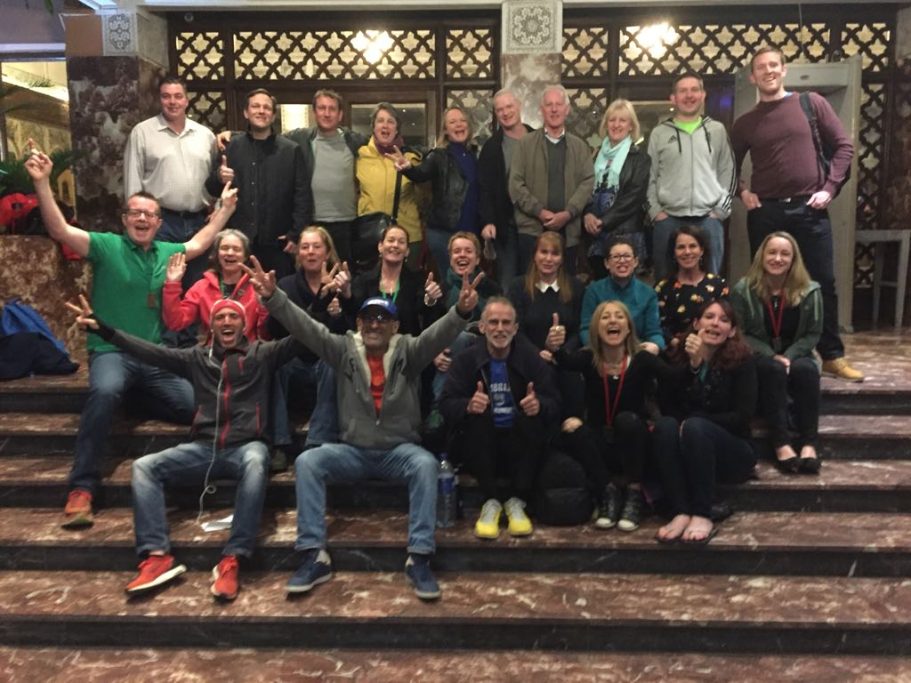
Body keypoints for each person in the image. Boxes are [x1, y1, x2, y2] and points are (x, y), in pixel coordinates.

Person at [25, 142, 238, 529]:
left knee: (196, 406)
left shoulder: (166, 251)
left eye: (150, 215)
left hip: (153, 357)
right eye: (136, 213)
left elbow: (200, 242)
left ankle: (138, 401)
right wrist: (42, 182)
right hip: (111, 351)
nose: (142, 219)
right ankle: (82, 488)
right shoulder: (106, 246)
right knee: (105, 392)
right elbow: (59, 229)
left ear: (158, 222)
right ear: (125, 219)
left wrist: (223, 211)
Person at [247, 256, 483, 601]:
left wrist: (461, 311)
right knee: (308, 461)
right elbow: (305, 328)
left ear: (395, 326)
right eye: (369, 318)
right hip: (353, 451)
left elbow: (437, 336)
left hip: (398, 451)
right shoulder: (343, 350)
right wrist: (273, 298)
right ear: (358, 323)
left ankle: (419, 557)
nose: (375, 324)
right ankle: (314, 555)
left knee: (425, 464)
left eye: (382, 319)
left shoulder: (409, 351)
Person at [68, 295, 303, 601]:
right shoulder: (196, 358)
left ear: (244, 325)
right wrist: (104, 330)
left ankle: (232, 558)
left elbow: (303, 336)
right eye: (220, 317)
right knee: (144, 467)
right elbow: (148, 351)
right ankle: (157, 556)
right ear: (211, 325)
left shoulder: (263, 354)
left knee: (257, 462)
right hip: (203, 449)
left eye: (234, 316)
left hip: (246, 447)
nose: (227, 321)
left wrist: (323, 302)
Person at [731, 45, 863, 382]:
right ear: (752, 76)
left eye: (774, 65)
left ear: (784, 69)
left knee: (822, 282)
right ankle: (768, 354)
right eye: (761, 67)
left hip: (809, 208)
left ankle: (832, 355)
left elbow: (845, 147)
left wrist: (829, 188)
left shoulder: (811, 103)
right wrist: (742, 192)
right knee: (763, 285)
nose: (768, 71)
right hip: (766, 211)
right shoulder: (745, 123)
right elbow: (727, 165)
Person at [440, 297, 560, 539]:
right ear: (482, 327)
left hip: (520, 444)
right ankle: (491, 501)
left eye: (506, 323)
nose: (500, 329)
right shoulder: (465, 360)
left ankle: (517, 501)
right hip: (480, 446)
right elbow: (445, 404)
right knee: (478, 418)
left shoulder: (531, 359)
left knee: (532, 420)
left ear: (515, 329)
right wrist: (467, 405)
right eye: (493, 322)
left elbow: (555, 403)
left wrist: (539, 405)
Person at [652, 299, 757, 544]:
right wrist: (693, 366)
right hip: (686, 445)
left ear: (732, 331)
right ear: (696, 323)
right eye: (709, 317)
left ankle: (702, 512)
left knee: (695, 426)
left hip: (732, 450)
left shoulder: (743, 361)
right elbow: (668, 408)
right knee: (665, 426)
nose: (715, 323)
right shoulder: (676, 357)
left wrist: (696, 421)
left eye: (724, 320)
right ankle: (680, 511)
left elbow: (741, 417)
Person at [554, 301, 666, 531]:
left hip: (633, 444)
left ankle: (634, 495)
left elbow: (675, 376)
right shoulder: (588, 358)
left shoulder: (642, 358)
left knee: (627, 420)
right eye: (605, 317)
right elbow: (564, 361)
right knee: (572, 429)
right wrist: (554, 347)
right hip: (601, 444)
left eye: (619, 316)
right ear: (596, 328)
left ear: (629, 328)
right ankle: (608, 493)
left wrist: (696, 359)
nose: (613, 320)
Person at [731, 231, 822, 474]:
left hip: (797, 353)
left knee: (807, 370)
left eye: (785, 254)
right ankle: (781, 442)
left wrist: (789, 356)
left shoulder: (810, 290)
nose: (778, 258)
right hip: (759, 354)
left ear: (793, 259)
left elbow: (812, 333)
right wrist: (772, 355)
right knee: (772, 369)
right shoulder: (743, 289)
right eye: (772, 252)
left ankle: (809, 443)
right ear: (762, 256)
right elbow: (740, 331)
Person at [124, 76, 217, 288]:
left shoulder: (205, 135)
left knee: (197, 286)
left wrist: (217, 209)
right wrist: (136, 219)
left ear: (186, 100)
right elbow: (133, 182)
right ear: (159, 99)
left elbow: (216, 179)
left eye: (178, 96)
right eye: (166, 96)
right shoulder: (143, 133)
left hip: (199, 222)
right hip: (161, 223)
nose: (172, 102)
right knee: (160, 283)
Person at [209, 88, 311, 280]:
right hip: (238, 242)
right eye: (255, 106)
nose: (261, 111)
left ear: (273, 115)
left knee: (278, 293)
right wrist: (219, 178)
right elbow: (212, 188)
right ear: (246, 112)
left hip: (278, 242)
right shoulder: (230, 147)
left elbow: (302, 195)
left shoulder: (291, 150)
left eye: (267, 108)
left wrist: (296, 234)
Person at [267, 226, 349, 460]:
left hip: (327, 367)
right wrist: (319, 306)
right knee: (275, 364)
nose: (311, 252)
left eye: (316, 247)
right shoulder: (286, 285)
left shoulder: (341, 285)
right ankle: (280, 443)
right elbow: (275, 330)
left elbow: (352, 334)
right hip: (295, 363)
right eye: (305, 247)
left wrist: (339, 314)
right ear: (298, 254)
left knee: (333, 362)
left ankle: (317, 440)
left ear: (327, 252)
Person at [647, 72, 736, 280]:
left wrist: (720, 210)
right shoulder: (659, 133)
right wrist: (655, 211)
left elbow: (728, 170)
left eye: (694, 90)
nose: (689, 95)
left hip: (708, 219)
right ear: (673, 98)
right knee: (665, 283)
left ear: (703, 95)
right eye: (683, 91)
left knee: (710, 282)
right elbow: (649, 175)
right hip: (668, 220)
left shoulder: (717, 130)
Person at [509, 85, 595, 273]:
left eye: (559, 104)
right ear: (542, 110)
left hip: (568, 233)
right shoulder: (525, 144)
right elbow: (515, 184)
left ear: (567, 109)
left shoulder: (580, 147)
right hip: (532, 231)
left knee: (565, 286)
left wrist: (569, 213)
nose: (554, 109)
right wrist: (539, 211)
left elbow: (587, 183)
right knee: (531, 284)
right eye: (549, 105)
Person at [389, 105, 481, 278]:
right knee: (450, 283)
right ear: (445, 130)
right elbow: (420, 173)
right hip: (444, 232)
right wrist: (408, 168)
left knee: (470, 283)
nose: (459, 125)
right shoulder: (439, 155)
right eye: (452, 122)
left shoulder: (475, 156)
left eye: (462, 121)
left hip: (471, 234)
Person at [284, 90, 366, 266]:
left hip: (346, 223)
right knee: (311, 274)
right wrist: (231, 134)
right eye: (322, 108)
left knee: (343, 274)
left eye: (332, 109)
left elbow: (385, 145)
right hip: (312, 223)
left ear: (340, 114)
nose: (327, 113)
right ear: (314, 112)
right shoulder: (300, 139)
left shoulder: (355, 141)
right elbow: (267, 139)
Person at [162, 228, 269, 342]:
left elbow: (266, 334)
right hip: (212, 351)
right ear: (217, 254)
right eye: (224, 248)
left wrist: (265, 305)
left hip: (249, 351)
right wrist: (172, 284)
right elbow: (176, 322)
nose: (230, 253)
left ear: (245, 256)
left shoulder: (257, 286)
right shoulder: (202, 287)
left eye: (236, 249)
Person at [583, 99, 650, 278]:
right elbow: (585, 187)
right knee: (601, 286)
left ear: (631, 126)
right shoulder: (594, 155)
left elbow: (634, 197)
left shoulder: (640, 158)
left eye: (622, 120)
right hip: (595, 235)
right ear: (606, 124)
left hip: (625, 232)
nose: (616, 125)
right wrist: (588, 214)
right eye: (612, 120)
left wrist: (604, 221)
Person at [342, 224, 445, 336]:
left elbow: (429, 320)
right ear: (380, 246)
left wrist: (430, 301)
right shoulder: (363, 280)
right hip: (370, 341)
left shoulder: (417, 281)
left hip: (405, 343)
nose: (395, 245)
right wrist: (346, 295)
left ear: (407, 251)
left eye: (401, 242)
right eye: (391, 240)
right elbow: (353, 315)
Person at [355, 102, 424, 265]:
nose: (385, 125)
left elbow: (425, 197)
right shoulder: (360, 156)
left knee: (407, 281)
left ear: (397, 129)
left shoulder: (412, 159)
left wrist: (410, 170)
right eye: (380, 121)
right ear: (373, 127)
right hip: (371, 236)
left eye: (390, 121)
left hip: (407, 236)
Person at [478, 88, 533, 286]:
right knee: (507, 283)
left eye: (509, 106)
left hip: (536, 225)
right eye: (500, 109)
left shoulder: (538, 138)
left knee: (533, 282)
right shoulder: (491, 147)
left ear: (519, 106)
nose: (505, 112)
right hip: (505, 227)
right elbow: (484, 189)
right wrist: (488, 221)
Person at [579, 236, 664, 352]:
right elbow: (586, 329)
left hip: (637, 353)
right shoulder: (593, 290)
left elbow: (654, 332)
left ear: (635, 262)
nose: (622, 261)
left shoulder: (648, 293)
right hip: (602, 353)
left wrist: (655, 345)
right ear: (606, 263)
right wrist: (598, 349)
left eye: (627, 256)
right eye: (616, 257)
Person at [654, 224, 728, 345]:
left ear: (702, 250)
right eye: (681, 247)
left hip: (713, 348)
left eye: (693, 246)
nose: (687, 252)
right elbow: (657, 327)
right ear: (673, 253)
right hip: (675, 349)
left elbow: (726, 322)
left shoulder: (718, 285)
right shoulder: (662, 287)